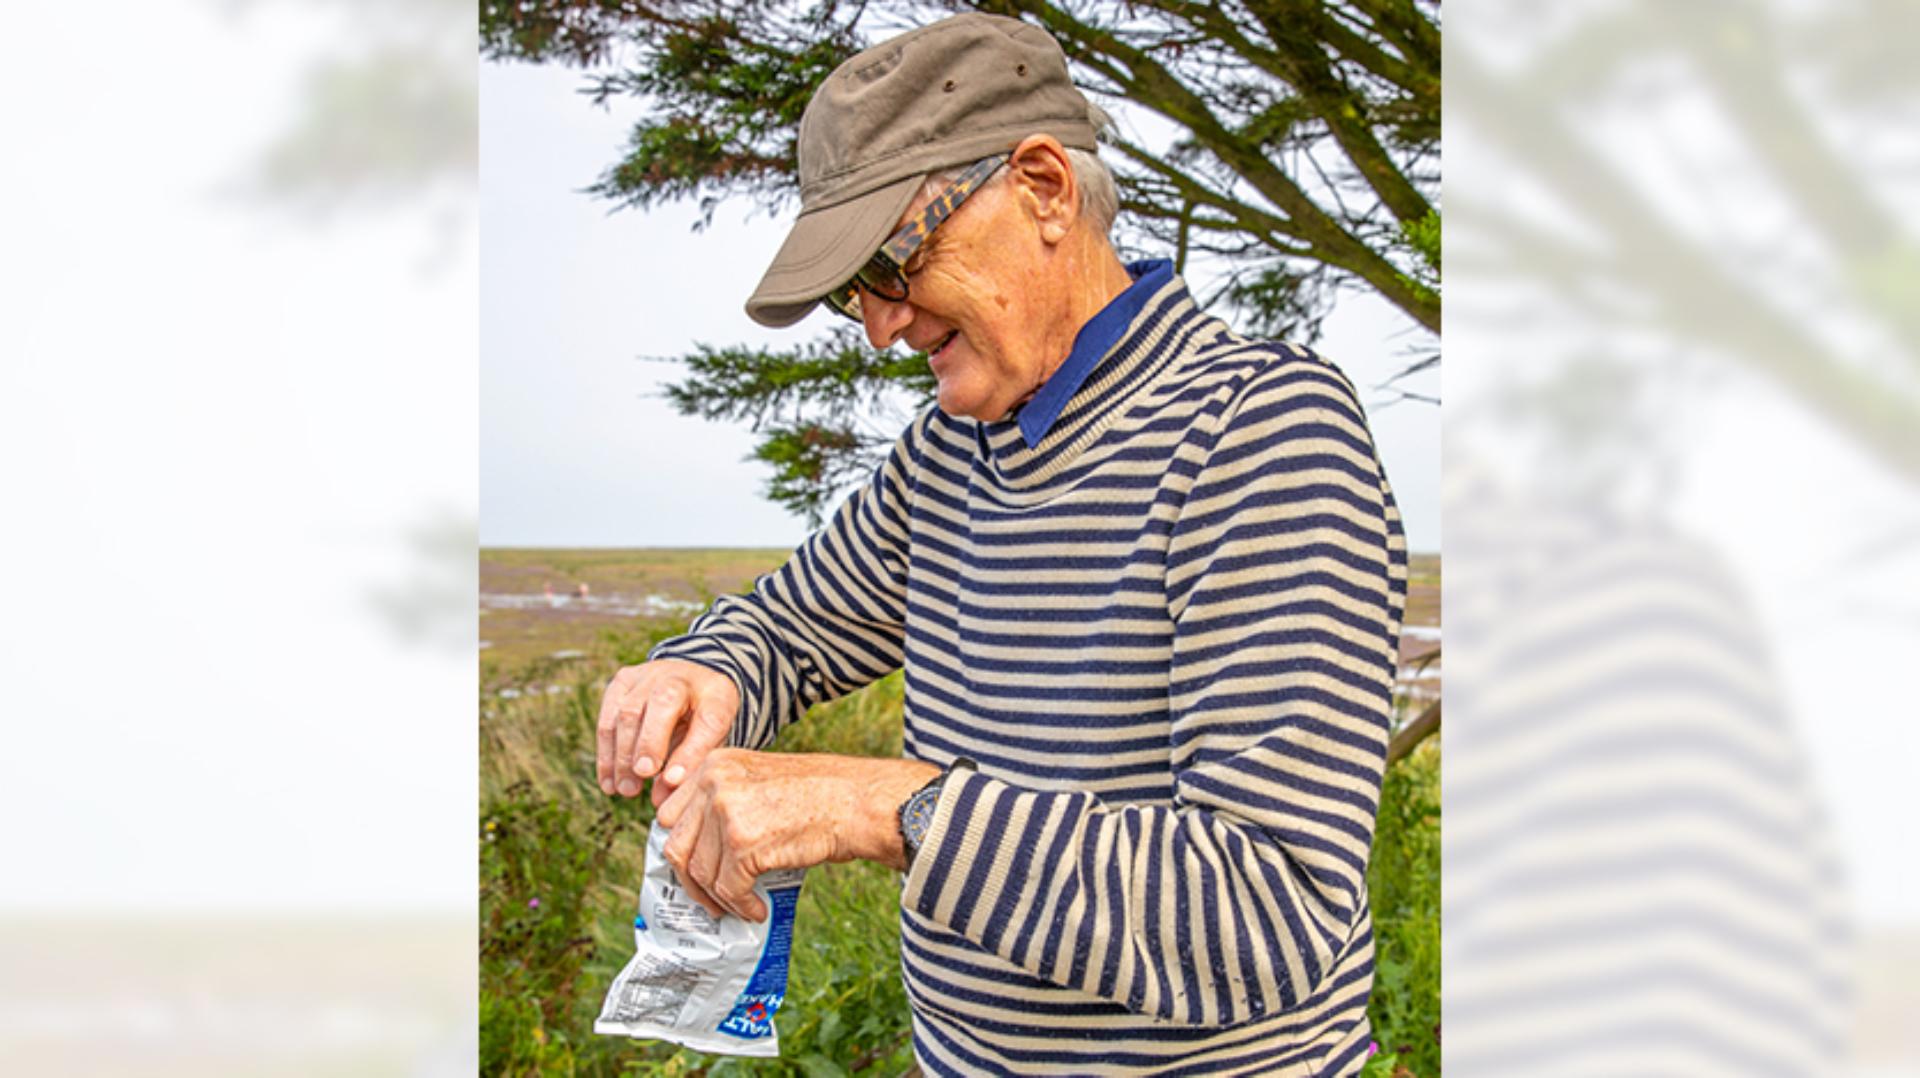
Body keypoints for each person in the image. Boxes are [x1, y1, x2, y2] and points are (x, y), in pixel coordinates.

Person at [595, 13, 1407, 1074]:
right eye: (853, 291)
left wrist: (874, 803)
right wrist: (703, 666)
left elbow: (1269, 912)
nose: (880, 325)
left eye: (892, 259)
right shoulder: (947, 453)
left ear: (1044, 189)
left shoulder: (1263, 431)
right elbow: (794, 625)